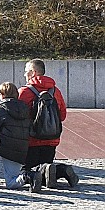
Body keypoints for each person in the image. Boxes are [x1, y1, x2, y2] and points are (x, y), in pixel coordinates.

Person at [19, 59, 79, 188]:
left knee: (25, 171)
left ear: (33, 73)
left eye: (26, 72)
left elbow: (18, 116)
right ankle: (62, 170)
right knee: (46, 168)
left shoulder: (24, 92)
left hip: (31, 140)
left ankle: (57, 171)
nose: (24, 75)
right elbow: (62, 115)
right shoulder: (55, 91)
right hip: (52, 139)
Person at [0, 82, 41, 192]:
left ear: (1, 94)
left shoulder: (0, 108)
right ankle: (28, 176)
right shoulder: (25, 108)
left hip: (3, 146)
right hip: (21, 148)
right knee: (11, 183)